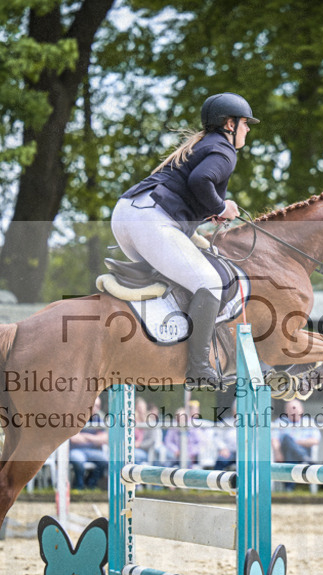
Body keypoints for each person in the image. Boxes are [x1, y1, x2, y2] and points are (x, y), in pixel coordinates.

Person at [110, 92, 258, 385]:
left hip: (127, 215)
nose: (248, 129)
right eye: (245, 123)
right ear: (230, 124)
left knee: (182, 280)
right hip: (150, 220)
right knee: (211, 283)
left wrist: (208, 212)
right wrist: (221, 207)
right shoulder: (225, 151)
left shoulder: (204, 144)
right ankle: (199, 367)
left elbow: (188, 190)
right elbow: (200, 180)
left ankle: (160, 341)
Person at [69, 397, 109, 490]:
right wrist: (95, 439)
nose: (95, 408)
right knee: (78, 460)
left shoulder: (99, 418)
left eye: (98, 406)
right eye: (93, 405)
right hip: (76, 450)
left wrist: (85, 436)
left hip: (93, 451)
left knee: (104, 460)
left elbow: (104, 439)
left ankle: (91, 484)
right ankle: (79, 485)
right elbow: (74, 439)